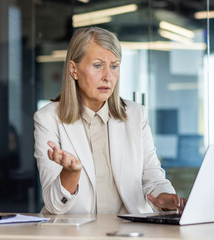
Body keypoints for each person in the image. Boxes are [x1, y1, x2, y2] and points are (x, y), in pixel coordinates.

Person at [34, 27, 186, 215]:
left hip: (129, 230)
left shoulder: (136, 115)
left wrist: (164, 197)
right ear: (74, 69)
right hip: (76, 232)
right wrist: (71, 174)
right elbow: (54, 205)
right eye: (98, 65)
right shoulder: (48, 118)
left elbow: (153, 177)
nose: (108, 76)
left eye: (114, 66)